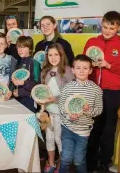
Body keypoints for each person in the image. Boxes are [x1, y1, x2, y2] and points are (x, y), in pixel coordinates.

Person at [84, 11, 120, 172]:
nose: (107, 31)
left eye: (111, 28)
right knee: (92, 125)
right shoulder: (92, 41)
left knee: (108, 127)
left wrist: (109, 65)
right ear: (101, 24)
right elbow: (84, 64)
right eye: (105, 27)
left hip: (112, 92)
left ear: (119, 27)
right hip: (92, 89)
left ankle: (104, 161)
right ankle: (90, 159)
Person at [58, 55, 103, 173]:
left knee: (79, 160)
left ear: (90, 70)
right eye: (78, 68)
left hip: (83, 131)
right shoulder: (67, 88)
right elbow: (61, 107)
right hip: (67, 128)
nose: (81, 71)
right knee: (66, 158)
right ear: (73, 70)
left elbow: (98, 110)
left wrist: (88, 110)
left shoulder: (96, 90)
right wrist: (68, 115)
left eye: (85, 68)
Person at [41, 43, 75, 173]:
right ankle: (51, 163)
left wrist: (55, 99)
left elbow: (71, 94)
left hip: (61, 113)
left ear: (61, 55)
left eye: (56, 54)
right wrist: (42, 108)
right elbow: (41, 91)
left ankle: (61, 165)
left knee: (59, 139)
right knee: (49, 139)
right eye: (50, 55)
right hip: (49, 113)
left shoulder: (67, 71)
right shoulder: (45, 71)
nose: (53, 57)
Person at [12, 36, 41, 113]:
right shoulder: (17, 63)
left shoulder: (34, 63)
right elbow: (16, 83)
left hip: (30, 100)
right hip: (18, 99)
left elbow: (37, 85)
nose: (20, 50)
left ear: (30, 49)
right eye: (18, 47)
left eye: (24, 47)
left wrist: (23, 83)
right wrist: (15, 92)